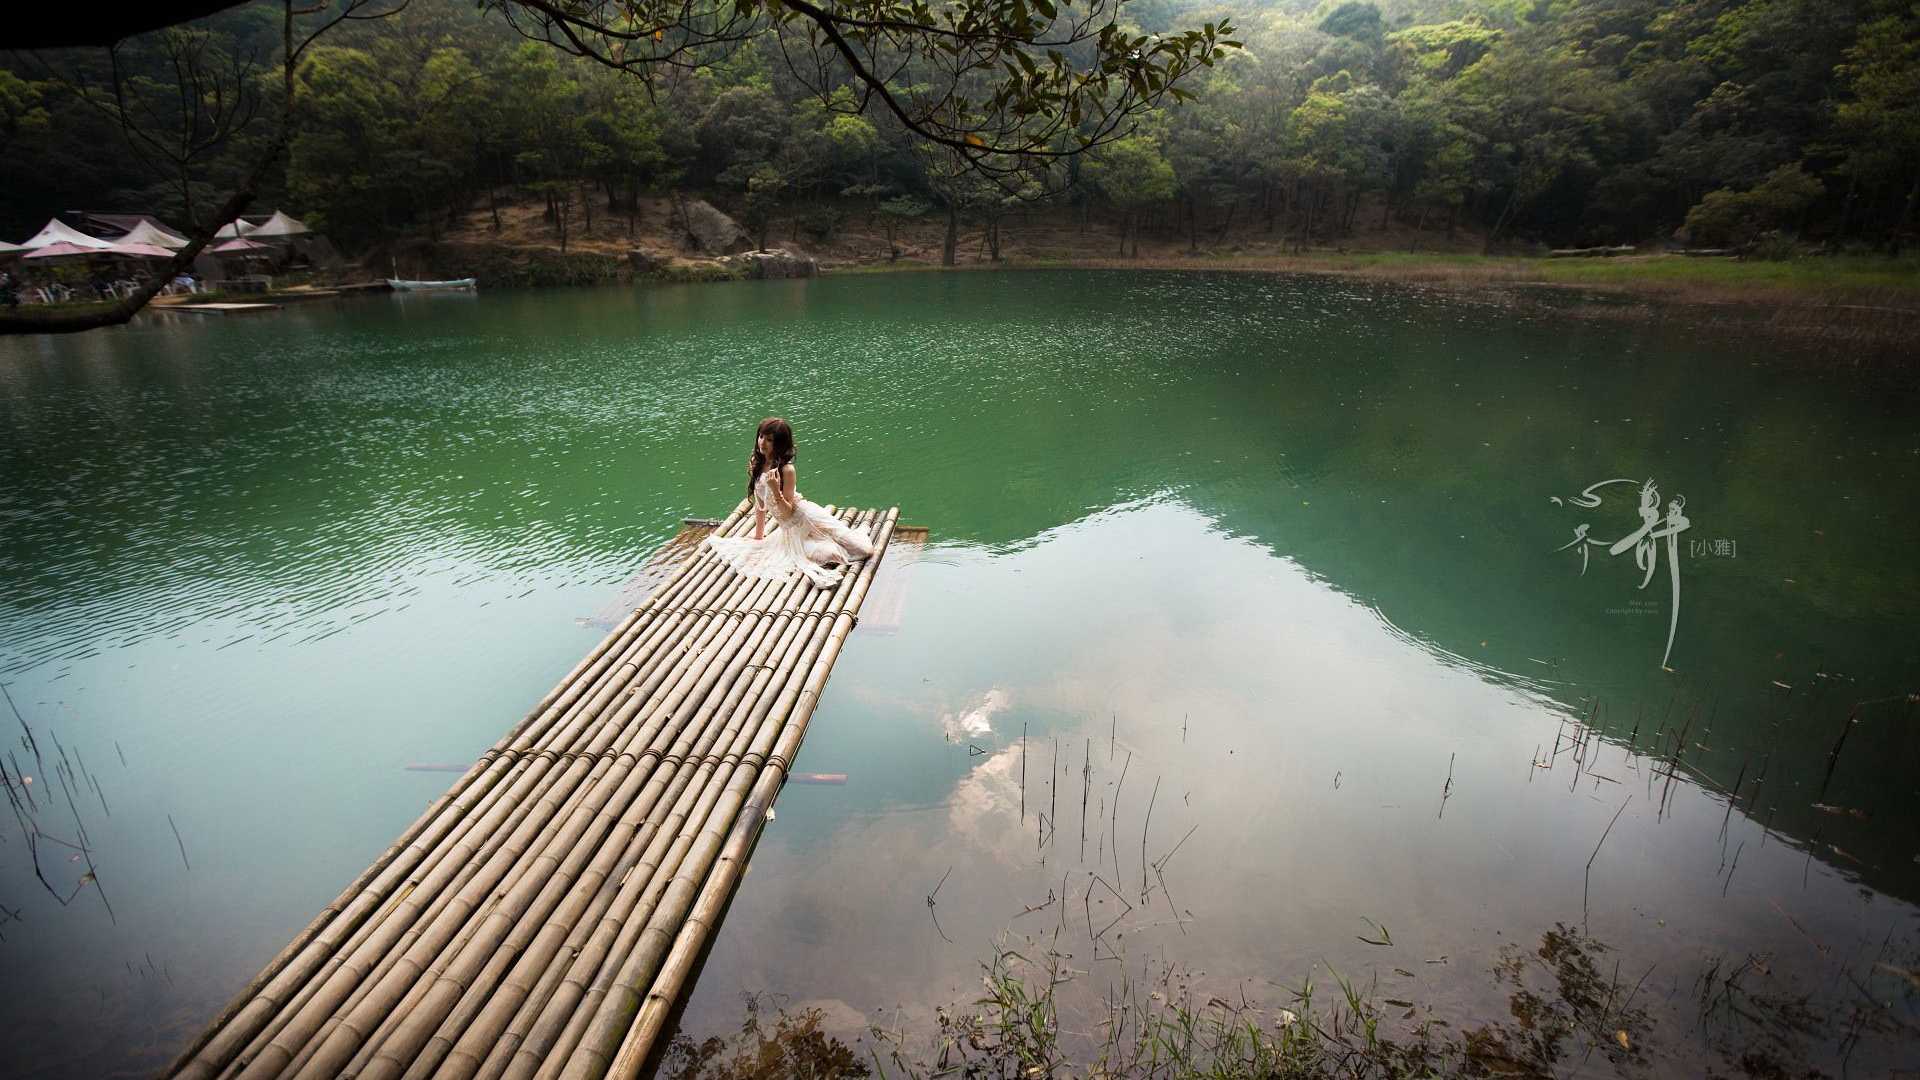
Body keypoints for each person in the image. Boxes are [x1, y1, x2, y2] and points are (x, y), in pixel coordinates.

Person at [704, 417, 875, 587]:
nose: (762, 442)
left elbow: (788, 511)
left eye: (769, 440)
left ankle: (853, 535)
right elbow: (760, 505)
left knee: (864, 551)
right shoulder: (756, 462)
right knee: (830, 555)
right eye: (761, 436)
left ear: (779, 444)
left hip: (807, 517)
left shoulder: (787, 470)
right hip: (790, 532)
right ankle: (830, 543)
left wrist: (775, 489)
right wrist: (758, 536)